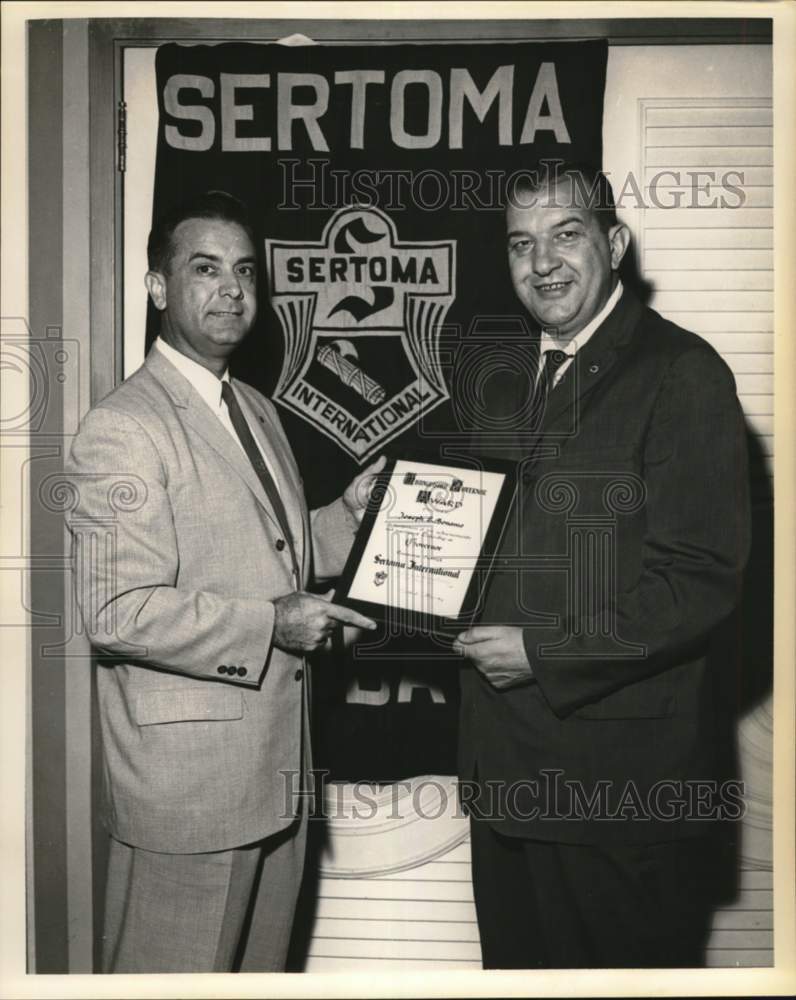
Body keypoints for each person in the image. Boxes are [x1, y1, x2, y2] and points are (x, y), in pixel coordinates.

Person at [65, 190, 382, 973]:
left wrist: (345, 514)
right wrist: (270, 625)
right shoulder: (124, 426)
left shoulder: (253, 406)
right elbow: (116, 611)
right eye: (204, 269)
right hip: (190, 796)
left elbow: (275, 547)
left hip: (276, 774)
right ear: (158, 287)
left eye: (245, 271)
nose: (232, 290)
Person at [453, 163, 751, 969]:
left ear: (614, 243)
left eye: (565, 235)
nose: (541, 262)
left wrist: (544, 653)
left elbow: (700, 578)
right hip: (505, 778)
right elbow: (487, 551)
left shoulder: (683, 373)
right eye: (521, 244)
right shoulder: (506, 380)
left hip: (614, 789)